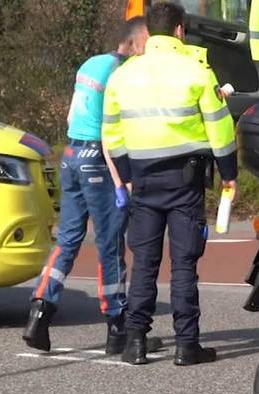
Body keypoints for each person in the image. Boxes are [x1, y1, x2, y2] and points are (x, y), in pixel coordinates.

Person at [102, 2, 238, 366]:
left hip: (142, 178)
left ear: (149, 31)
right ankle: (186, 345)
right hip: (185, 179)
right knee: (184, 262)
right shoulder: (197, 70)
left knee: (144, 261)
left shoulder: (122, 76)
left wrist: (126, 178)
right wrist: (229, 174)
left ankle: (135, 343)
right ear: (180, 30)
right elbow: (220, 129)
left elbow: (111, 133)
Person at [22, 17, 154, 355]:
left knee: (67, 239)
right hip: (100, 157)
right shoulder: (121, 73)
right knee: (110, 242)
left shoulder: (90, 64)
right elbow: (115, 126)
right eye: (147, 44)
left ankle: (39, 313)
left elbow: (70, 117)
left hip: (71, 153)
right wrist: (122, 178)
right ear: (135, 42)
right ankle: (117, 327)